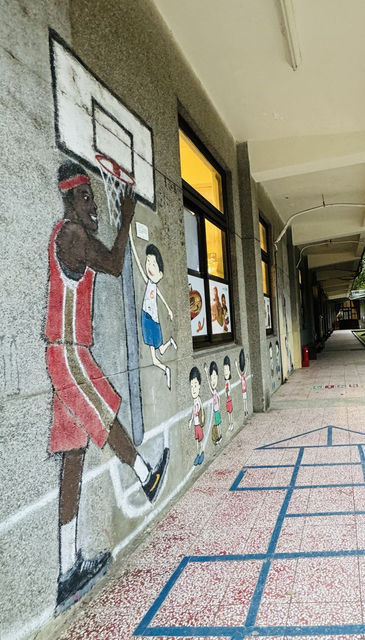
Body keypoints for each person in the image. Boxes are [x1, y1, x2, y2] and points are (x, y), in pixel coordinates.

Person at [46, 161, 169, 615]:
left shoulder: (72, 234)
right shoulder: (72, 235)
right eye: (86, 198)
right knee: (106, 412)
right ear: (69, 201)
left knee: (73, 457)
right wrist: (127, 215)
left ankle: (67, 570)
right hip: (68, 351)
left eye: (94, 198)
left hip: (65, 351)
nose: (93, 205)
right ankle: (146, 474)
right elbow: (116, 264)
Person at [129, 231, 177, 388]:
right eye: (148, 261)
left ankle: (166, 369)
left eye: (153, 264)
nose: (149, 266)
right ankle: (170, 342)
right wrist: (131, 237)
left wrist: (169, 309)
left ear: (161, 274)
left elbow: (160, 296)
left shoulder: (154, 285)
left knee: (156, 357)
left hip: (151, 321)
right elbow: (138, 261)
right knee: (159, 351)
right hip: (147, 317)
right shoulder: (149, 282)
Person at [188, 367, 204, 465]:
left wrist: (202, 419)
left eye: (195, 385)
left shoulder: (198, 400)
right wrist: (190, 421)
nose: (193, 389)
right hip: (195, 425)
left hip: (199, 425)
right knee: (197, 440)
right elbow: (193, 413)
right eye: (191, 386)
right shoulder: (194, 402)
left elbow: (201, 409)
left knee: (200, 441)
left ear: (199, 386)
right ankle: (198, 455)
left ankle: (201, 454)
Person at [207, 360, 222, 445]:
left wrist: (218, 406)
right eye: (211, 378)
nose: (213, 381)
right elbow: (210, 387)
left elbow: (219, 398)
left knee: (218, 423)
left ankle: (219, 436)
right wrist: (206, 373)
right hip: (216, 411)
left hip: (217, 411)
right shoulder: (214, 392)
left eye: (215, 378)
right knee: (217, 423)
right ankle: (219, 436)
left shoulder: (215, 391)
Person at [235, 349, 249, 417]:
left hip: (244, 390)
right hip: (243, 391)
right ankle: (245, 410)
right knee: (244, 400)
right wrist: (236, 365)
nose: (242, 372)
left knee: (245, 400)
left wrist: (247, 361)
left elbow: (246, 370)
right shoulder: (241, 377)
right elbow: (238, 372)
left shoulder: (243, 376)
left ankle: (246, 409)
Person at [223, 355, 233, 431]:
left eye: (227, 370)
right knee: (228, 413)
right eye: (224, 370)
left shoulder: (228, 382)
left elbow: (229, 391)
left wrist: (227, 393)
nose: (226, 372)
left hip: (229, 400)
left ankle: (231, 424)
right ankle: (230, 424)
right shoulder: (226, 382)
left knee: (230, 413)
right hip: (227, 401)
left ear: (229, 371)